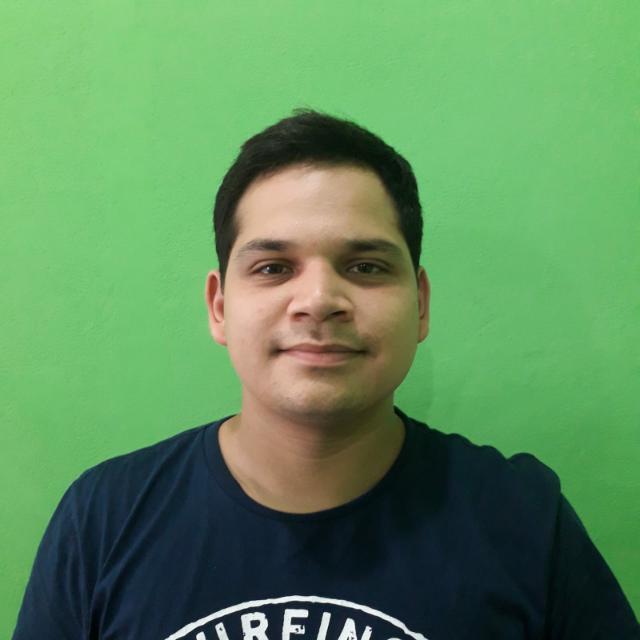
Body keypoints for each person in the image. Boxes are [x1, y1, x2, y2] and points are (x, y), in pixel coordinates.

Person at [13, 108, 638, 640]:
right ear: (219, 307)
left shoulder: (523, 518)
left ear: (420, 305)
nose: (318, 300)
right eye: (273, 268)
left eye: (365, 267)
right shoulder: (103, 519)